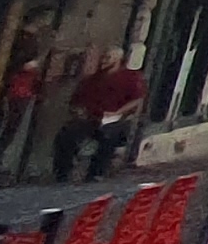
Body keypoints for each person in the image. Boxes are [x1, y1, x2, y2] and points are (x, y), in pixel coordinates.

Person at [55, 50, 147, 182]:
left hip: (115, 118)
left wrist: (118, 112)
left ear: (118, 59)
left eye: (108, 57)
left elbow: (137, 99)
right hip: (91, 118)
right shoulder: (92, 79)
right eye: (103, 57)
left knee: (109, 135)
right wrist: (79, 111)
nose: (104, 60)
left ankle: (96, 173)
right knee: (66, 134)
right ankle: (62, 172)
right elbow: (76, 101)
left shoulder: (130, 77)